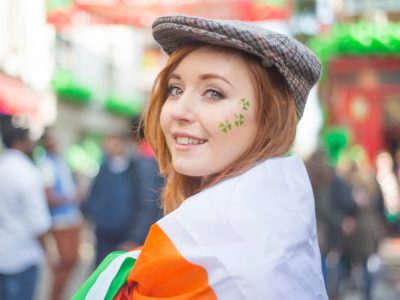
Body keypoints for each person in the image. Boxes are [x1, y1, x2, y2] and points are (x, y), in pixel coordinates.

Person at [73, 15, 327, 299]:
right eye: (175, 89)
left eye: (214, 93)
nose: (178, 110)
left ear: (270, 116)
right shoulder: (271, 229)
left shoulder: (235, 269)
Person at [0, 126, 51, 300]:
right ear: (20, 143)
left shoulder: (3, 165)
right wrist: (49, 250)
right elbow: (38, 222)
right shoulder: (27, 172)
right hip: (23, 255)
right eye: (30, 139)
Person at [38, 130, 82, 300]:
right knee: (65, 262)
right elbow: (49, 198)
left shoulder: (58, 161)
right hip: (61, 221)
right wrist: (72, 196)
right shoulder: (46, 165)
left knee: (72, 261)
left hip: (71, 218)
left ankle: (59, 295)